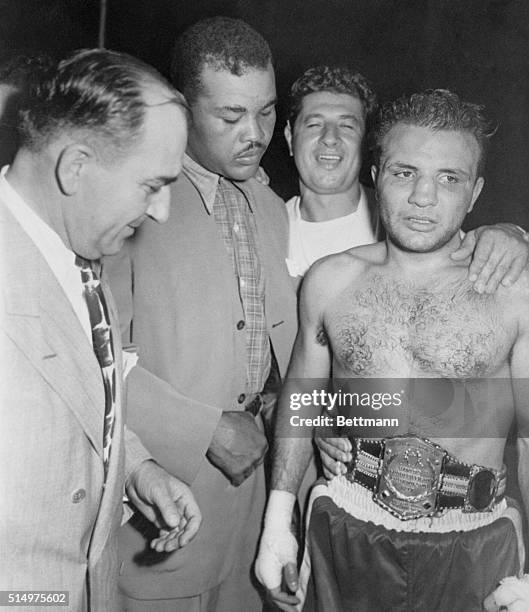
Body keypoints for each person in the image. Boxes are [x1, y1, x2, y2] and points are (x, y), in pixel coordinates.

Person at [255, 89, 529, 612]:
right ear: (378, 176)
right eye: (405, 173)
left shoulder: (514, 292)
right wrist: (277, 523)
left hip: (474, 539)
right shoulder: (330, 280)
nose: (423, 197)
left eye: (448, 178)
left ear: (474, 193)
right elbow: (303, 397)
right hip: (347, 523)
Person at [104, 17, 298, 611]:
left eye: (266, 112)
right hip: (159, 520)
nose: (256, 133)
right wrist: (203, 430)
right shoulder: (127, 200)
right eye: (231, 116)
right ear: (183, 109)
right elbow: (92, 357)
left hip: (251, 526)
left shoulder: (270, 207)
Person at [0, 48, 201, 611]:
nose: (161, 210)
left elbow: (72, 407)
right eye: (152, 184)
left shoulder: (85, 256)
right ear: (76, 167)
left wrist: (137, 470)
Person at [284, 65, 529, 288]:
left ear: (366, 144)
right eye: (314, 124)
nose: (330, 138)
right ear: (289, 137)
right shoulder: (265, 220)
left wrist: (513, 233)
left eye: (347, 126)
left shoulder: (402, 215)